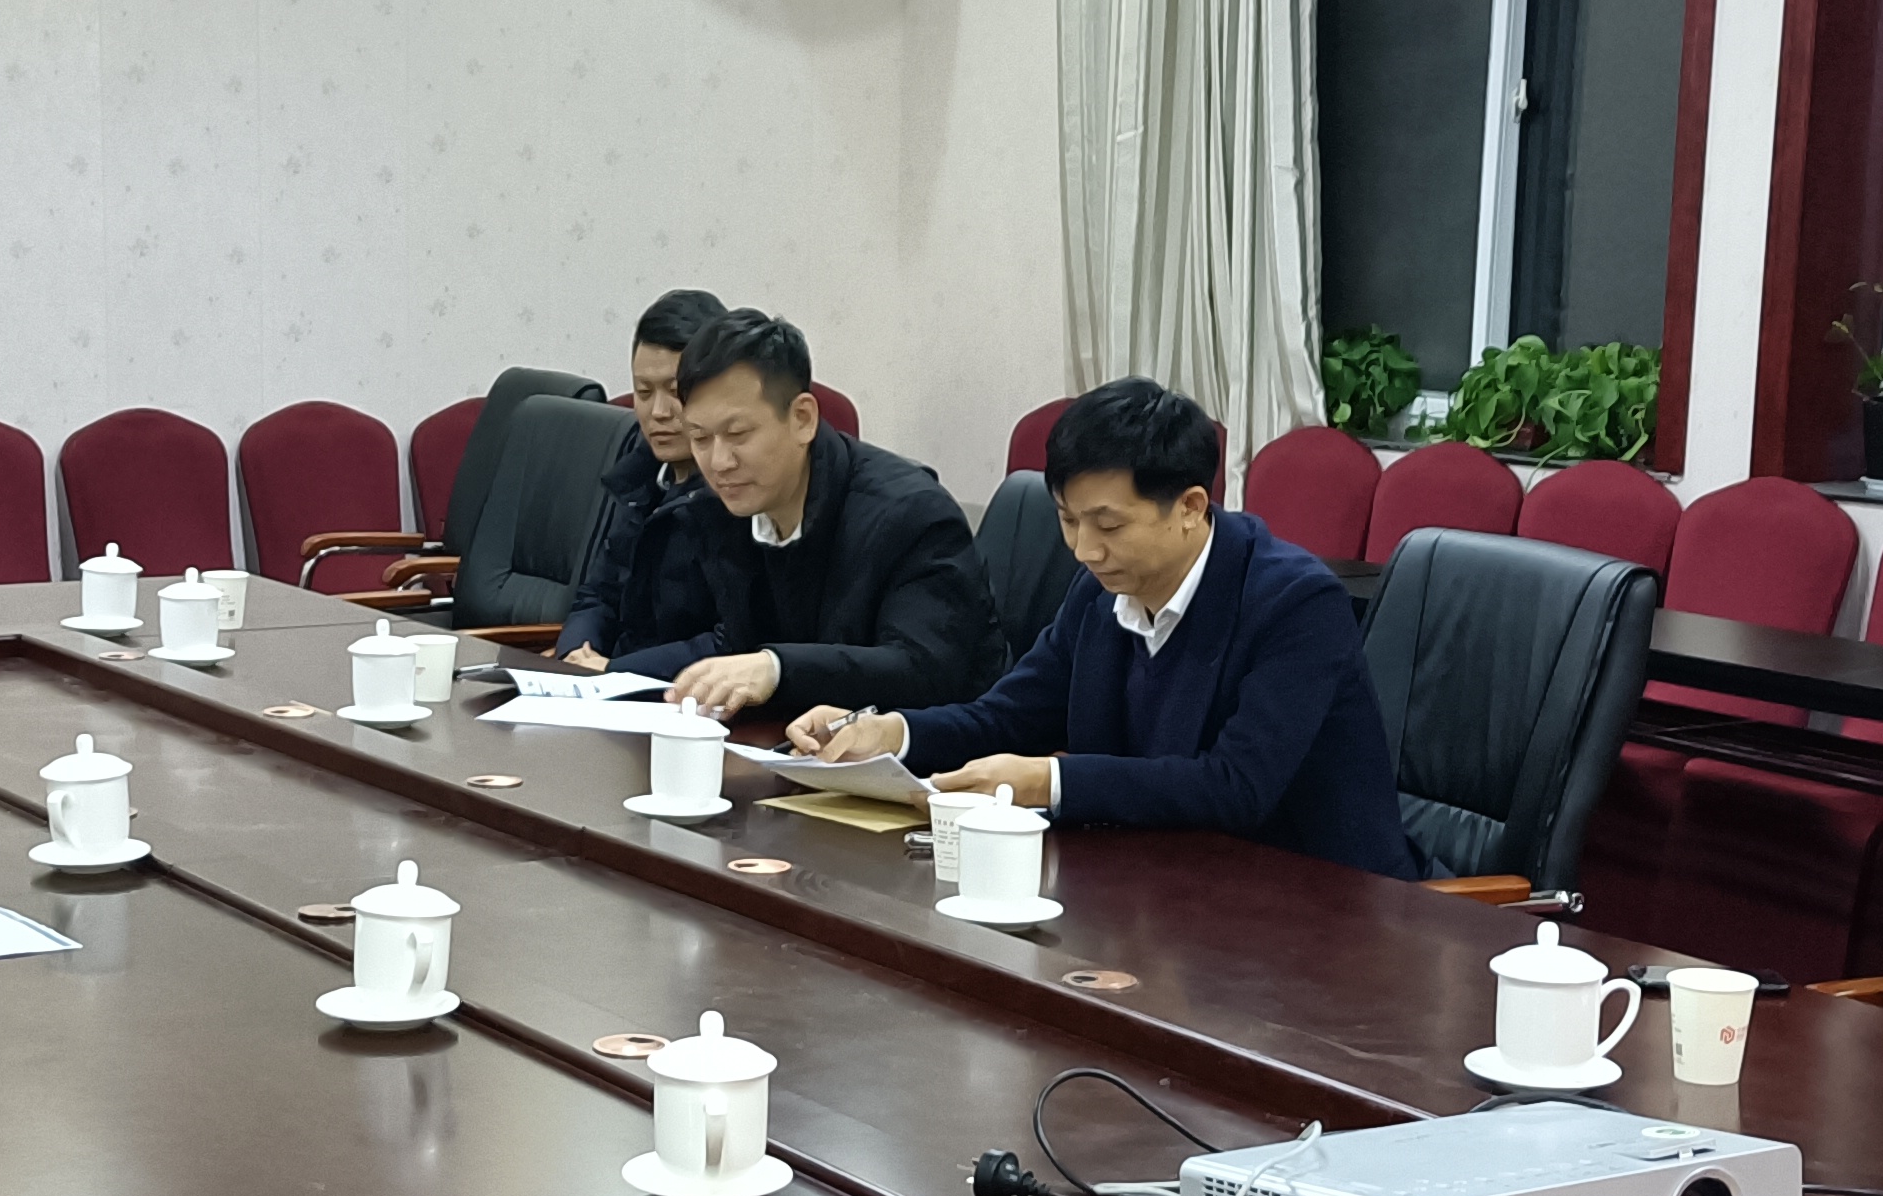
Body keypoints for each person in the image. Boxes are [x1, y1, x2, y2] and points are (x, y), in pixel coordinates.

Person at [792, 376, 1415, 876]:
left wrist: (1047, 780)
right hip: (1163, 886)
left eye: (1109, 525)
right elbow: (1008, 717)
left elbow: (1236, 786)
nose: (1084, 549)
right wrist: (892, 733)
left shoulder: (1296, 604)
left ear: (1191, 507)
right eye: (1068, 520)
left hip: (1321, 904)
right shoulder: (1100, 591)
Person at [624, 309, 1004, 720]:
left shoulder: (911, 515)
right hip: (796, 740)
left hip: (939, 749)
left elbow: (924, 670)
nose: (718, 462)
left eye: (738, 434)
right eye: (699, 437)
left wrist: (776, 668)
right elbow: (734, 640)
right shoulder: (719, 508)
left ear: (802, 419)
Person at [555, 286, 722, 668]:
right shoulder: (640, 480)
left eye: (676, 392)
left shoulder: (738, 492)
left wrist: (616, 671)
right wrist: (576, 651)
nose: (658, 412)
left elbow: (732, 640)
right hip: (612, 681)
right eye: (643, 392)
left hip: (685, 691)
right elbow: (598, 595)